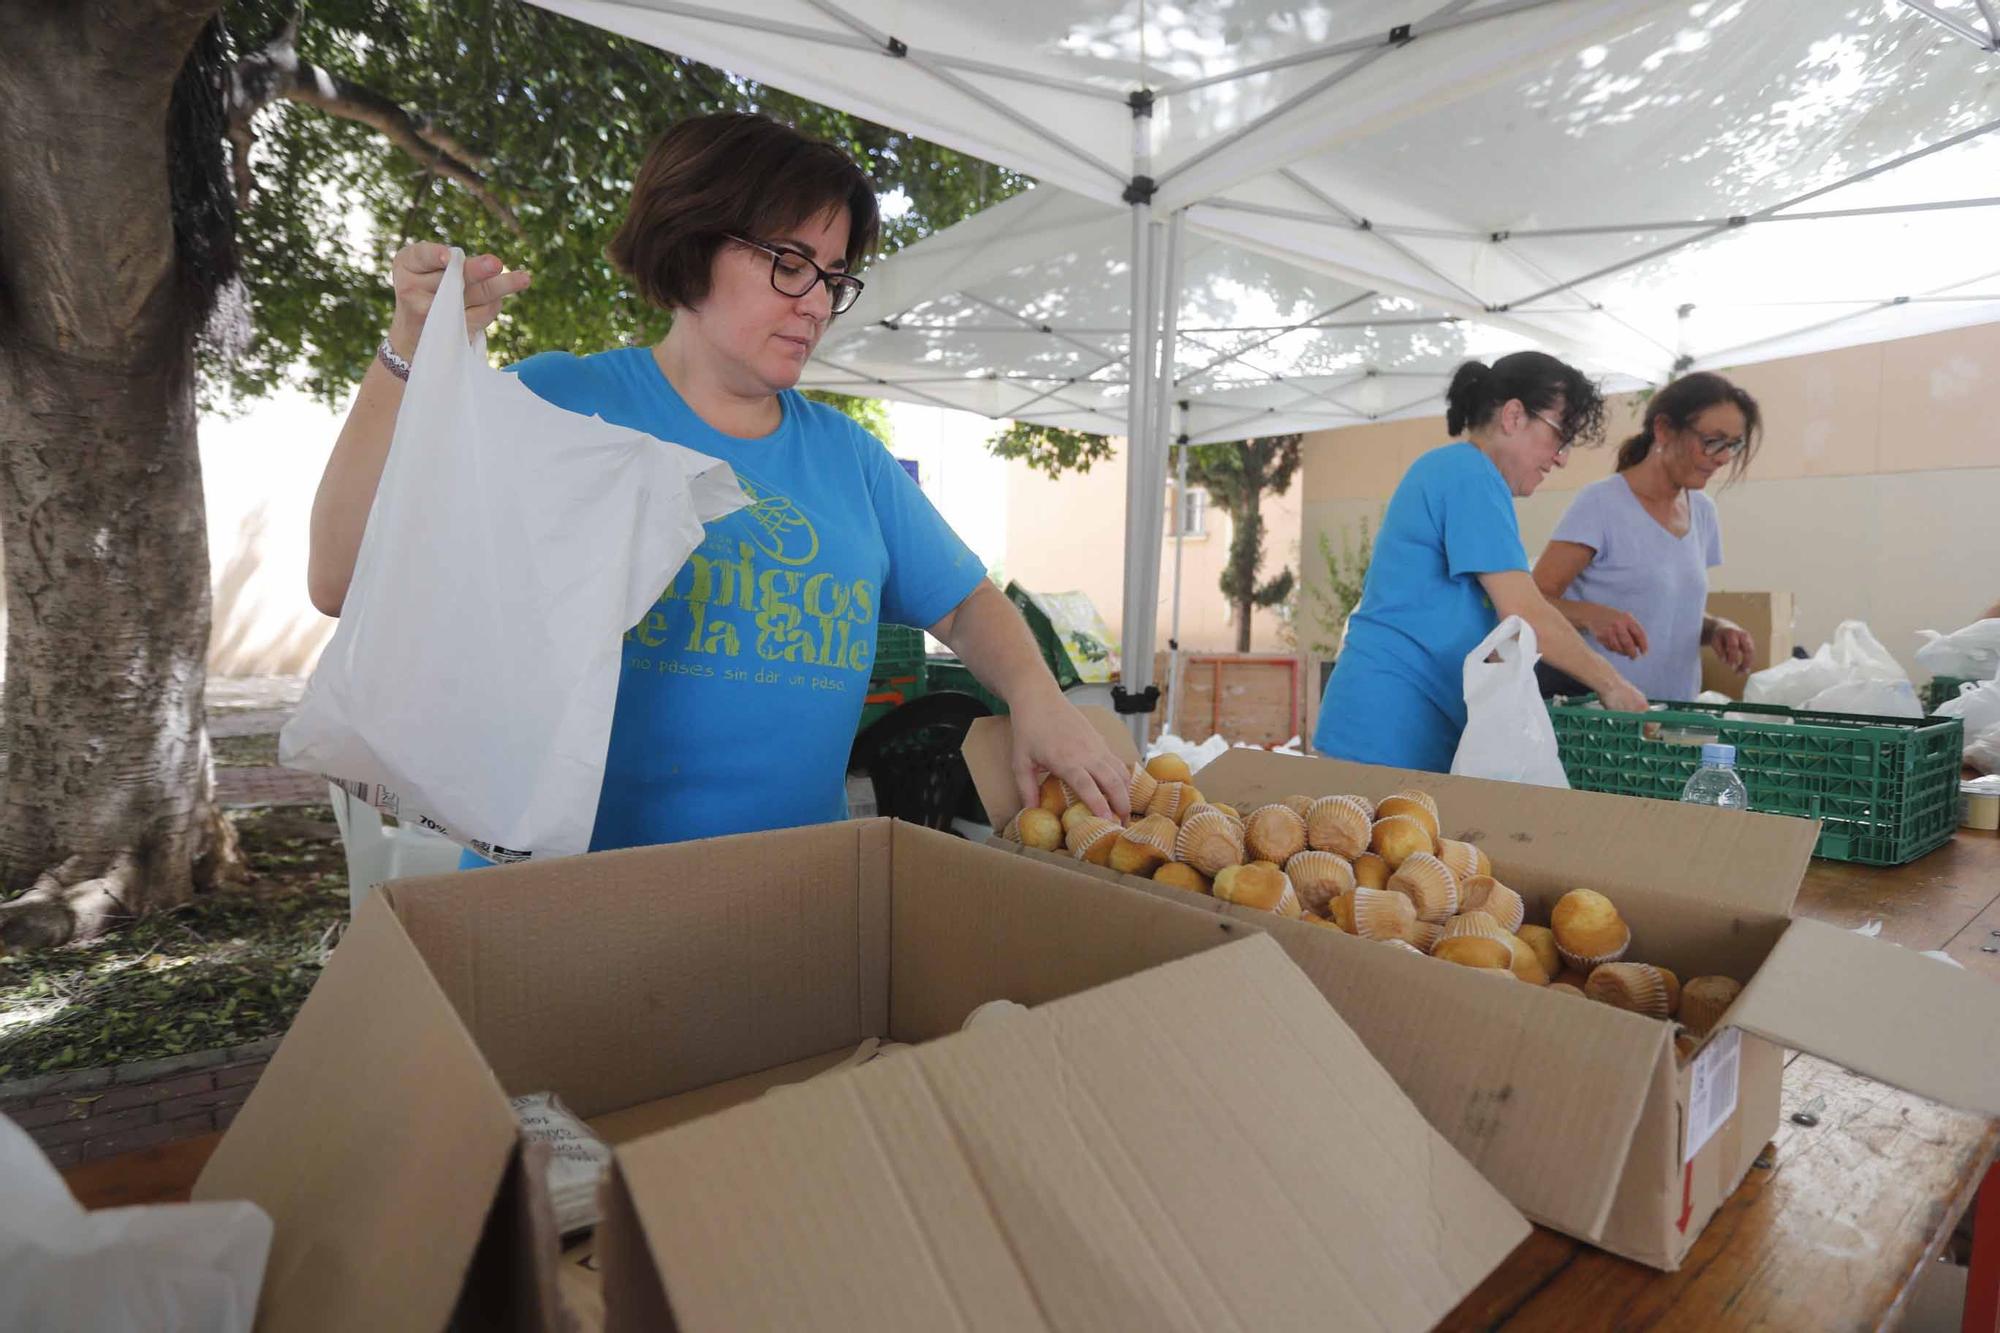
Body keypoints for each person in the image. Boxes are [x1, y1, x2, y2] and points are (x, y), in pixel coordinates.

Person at [307, 112, 1131, 861]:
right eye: (789, 263)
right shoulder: (563, 404)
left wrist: (1036, 695)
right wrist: (409, 349)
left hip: (789, 905)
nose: (816, 303)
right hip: (561, 905)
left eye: (834, 278)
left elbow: (962, 603)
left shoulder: (850, 458)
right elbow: (344, 576)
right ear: (694, 239)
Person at [1312, 352, 1648, 772]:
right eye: (1559, 438)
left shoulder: (1461, 474)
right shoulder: (1470, 476)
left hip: (1404, 724)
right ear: (1513, 416)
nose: (1560, 458)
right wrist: (1611, 685)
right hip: (1387, 727)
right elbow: (1526, 614)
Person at [1531, 372, 1762, 702]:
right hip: (1599, 714)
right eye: (1713, 441)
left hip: (1671, 714)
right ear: (1664, 429)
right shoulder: (1601, 504)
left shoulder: (1703, 512)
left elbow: (1665, 609)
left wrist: (1716, 628)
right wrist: (1592, 616)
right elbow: (1533, 600)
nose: (1723, 457)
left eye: (1733, 445)